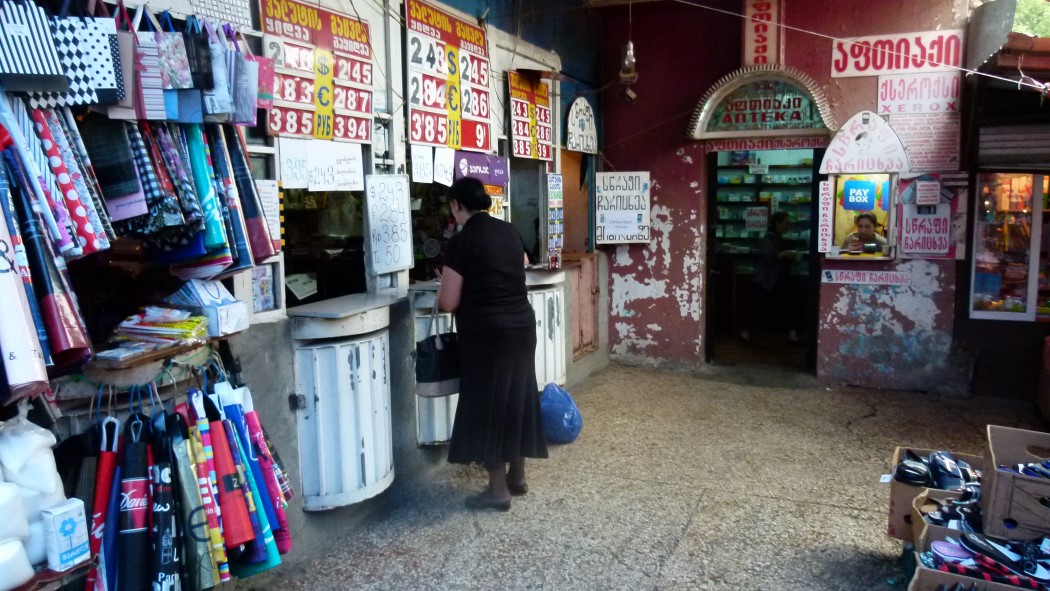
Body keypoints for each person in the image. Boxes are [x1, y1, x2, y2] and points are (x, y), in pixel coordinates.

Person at [436, 177, 548, 511]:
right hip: (521, 328)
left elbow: (448, 302)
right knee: (518, 396)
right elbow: (521, 265)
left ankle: (498, 490)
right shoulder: (509, 231)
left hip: (486, 335)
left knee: (486, 404)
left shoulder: (461, 242)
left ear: (457, 205)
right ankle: (518, 477)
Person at [740, 212, 802, 344]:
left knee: (784, 306)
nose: (788, 226)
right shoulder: (770, 238)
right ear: (777, 223)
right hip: (768, 279)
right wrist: (785, 254)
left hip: (775, 278)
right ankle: (746, 333)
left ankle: (747, 333)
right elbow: (767, 257)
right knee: (761, 307)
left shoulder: (777, 237)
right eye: (786, 223)